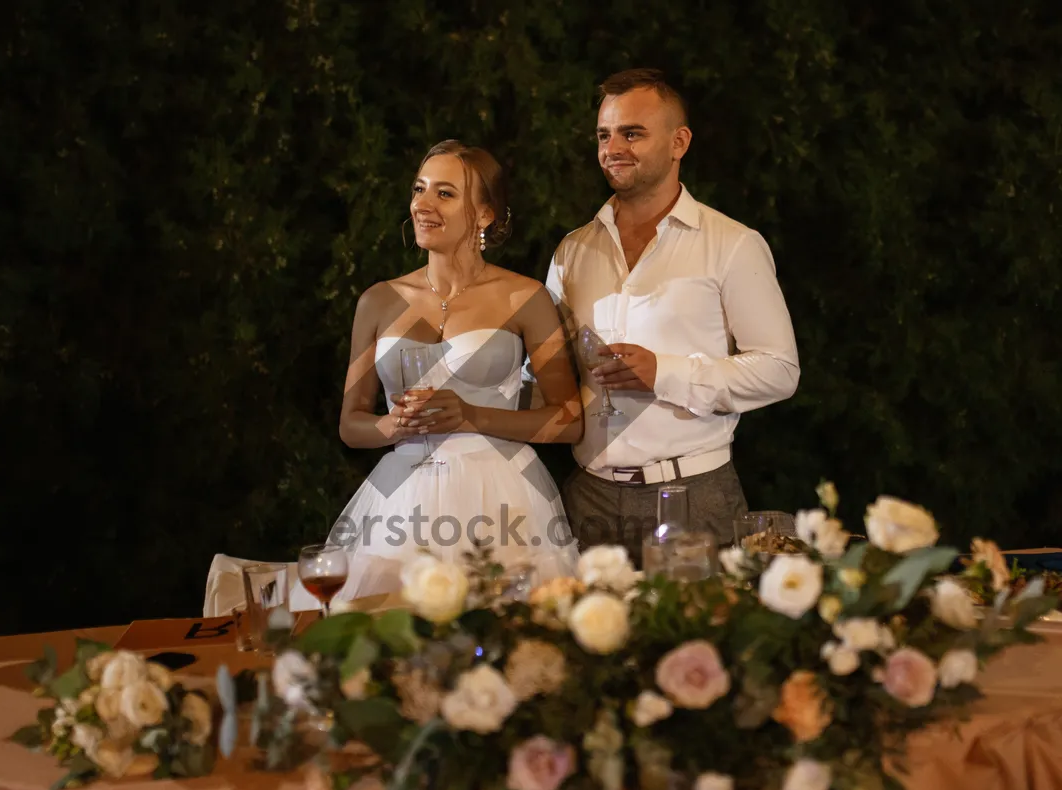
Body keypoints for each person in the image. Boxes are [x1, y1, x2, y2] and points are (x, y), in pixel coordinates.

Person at [544, 68, 800, 563]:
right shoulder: (572, 251)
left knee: (691, 640)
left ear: (679, 141)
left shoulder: (732, 244)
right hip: (586, 496)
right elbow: (548, 370)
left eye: (632, 133)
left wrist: (664, 373)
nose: (612, 146)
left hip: (690, 495)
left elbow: (780, 369)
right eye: (604, 134)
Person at [329, 140, 583, 602]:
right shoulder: (378, 301)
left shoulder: (524, 298)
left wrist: (472, 416)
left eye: (444, 194)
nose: (422, 205)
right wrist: (392, 424)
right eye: (419, 189)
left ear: (484, 214)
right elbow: (351, 424)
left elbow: (568, 419)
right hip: (400, 498)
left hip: (501, 492)